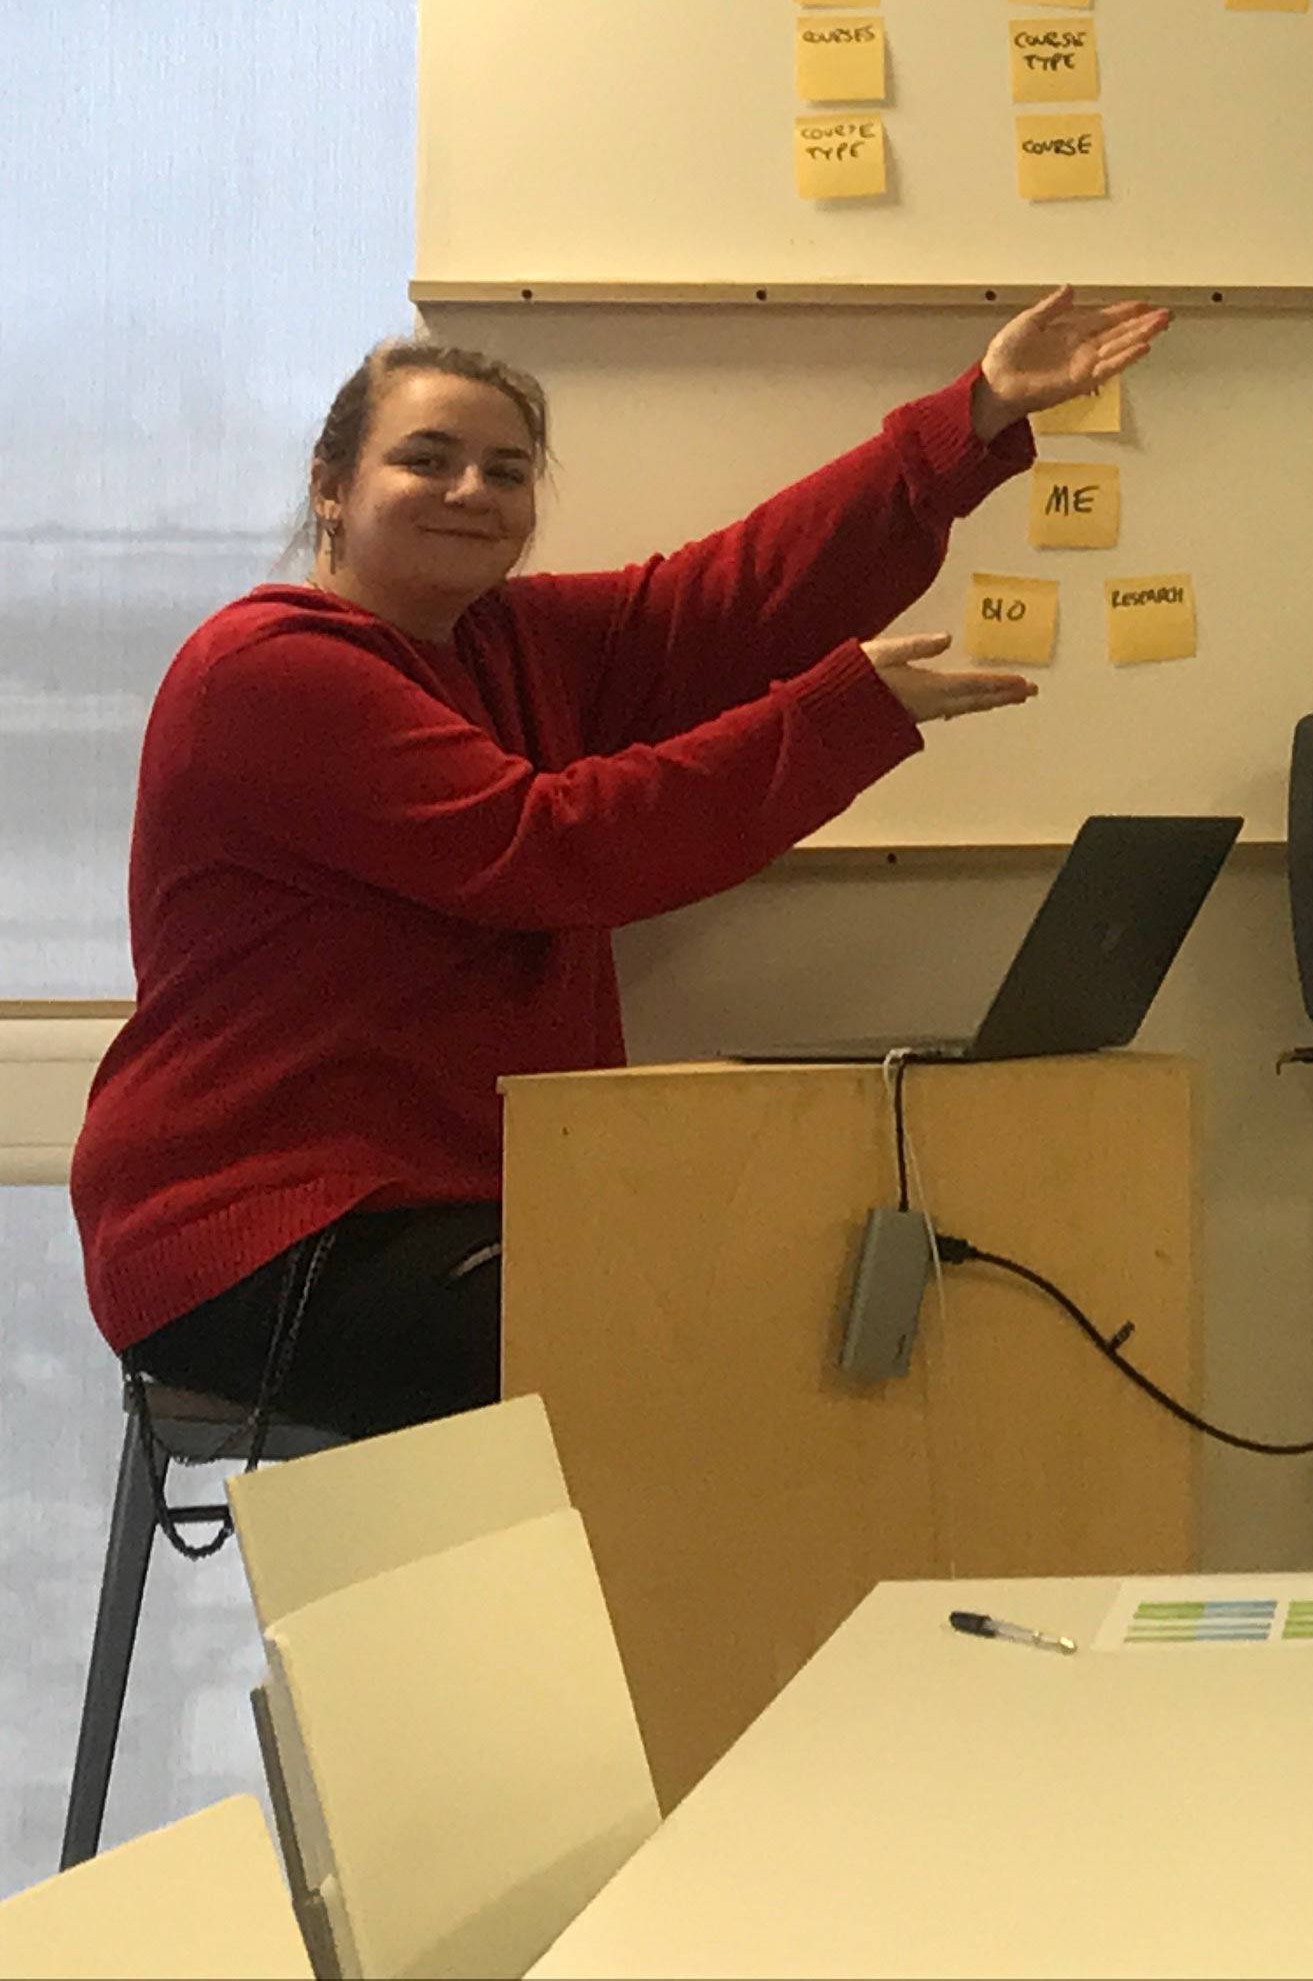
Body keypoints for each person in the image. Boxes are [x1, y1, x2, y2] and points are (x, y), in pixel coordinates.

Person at [71, 286, 1168, 1439]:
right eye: (428, 459)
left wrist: (974, 415)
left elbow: (729, 599)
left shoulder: (513, 641)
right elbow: (557, 846)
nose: (471, 492)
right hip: (261, 1239)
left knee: (772, 1314)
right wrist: (841, 717)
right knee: (671, 1353)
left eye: (506, 471)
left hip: (441, 1208)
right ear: (331, 487)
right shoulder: (268, 670)